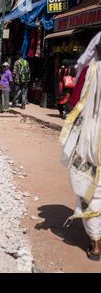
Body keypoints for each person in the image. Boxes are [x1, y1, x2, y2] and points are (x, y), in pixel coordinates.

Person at [60, 34, 101, 261]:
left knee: (91, 187)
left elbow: (75, 102)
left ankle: (96, 245)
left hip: (92, 138)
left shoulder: (90, 72)